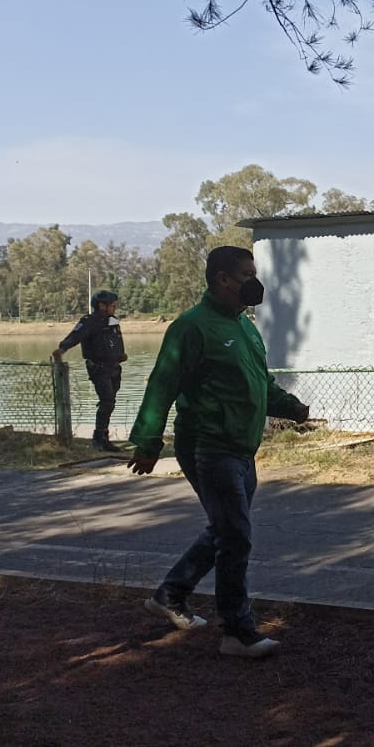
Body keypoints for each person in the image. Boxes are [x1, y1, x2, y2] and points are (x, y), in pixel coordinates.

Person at [127, 246, 310, 659]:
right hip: (208, 447)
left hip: (242, 449)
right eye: (246, 274)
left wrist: (292, 408)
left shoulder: (245, 327)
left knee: (225, 529)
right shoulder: (192, 327)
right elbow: (162, 384)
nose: (254, 281)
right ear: (223, 279)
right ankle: (237, 632)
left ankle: (169, 595)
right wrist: (148, 442)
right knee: (236, 536)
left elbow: (260, 383)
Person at [53, 290, 128, 452]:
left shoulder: (113, 321)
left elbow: (117, 339)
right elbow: (74, 336)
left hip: (114, 367)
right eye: (112, 305)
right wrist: (62, 349)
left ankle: (104, 437)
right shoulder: (89, 322)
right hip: (99, 368)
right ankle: (98, 438)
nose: (115, 307)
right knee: (107, 401)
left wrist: (121, 353)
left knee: (110, 402)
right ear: (101, 306)